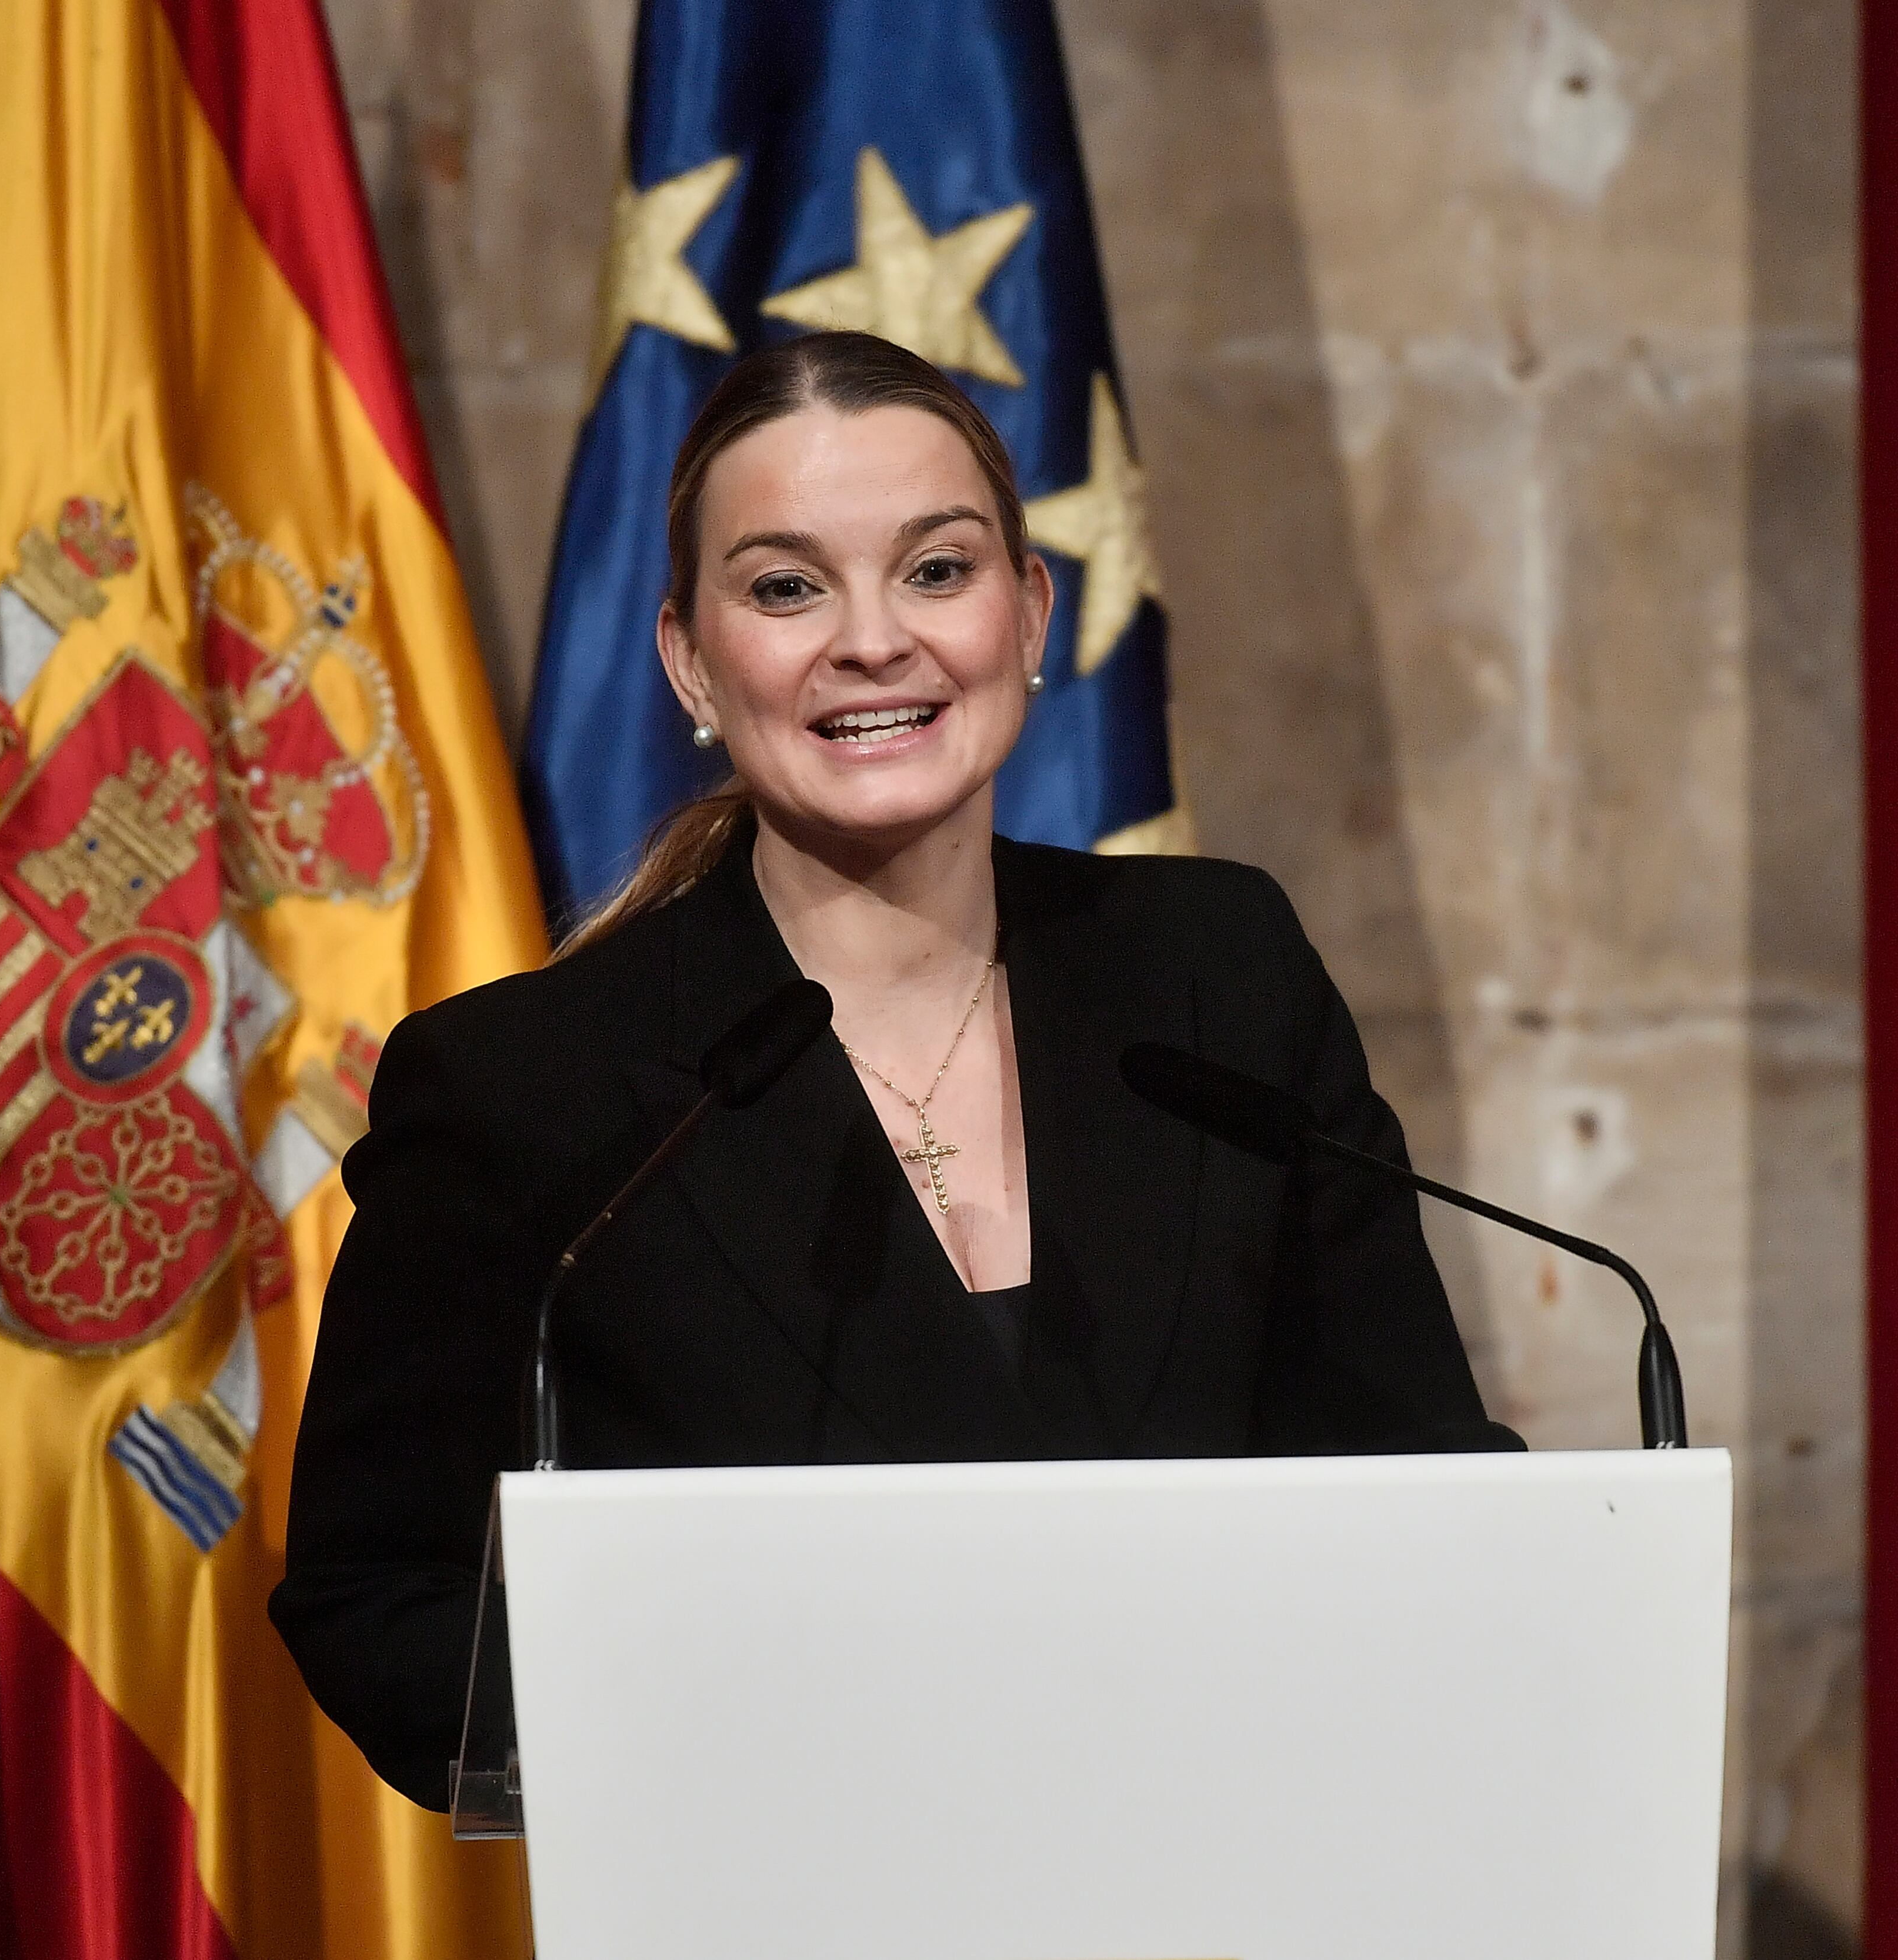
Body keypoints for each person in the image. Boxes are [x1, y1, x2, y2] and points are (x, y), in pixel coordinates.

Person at [271, 330, 1510, 1809]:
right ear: (690, 659)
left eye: (937, 568)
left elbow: (1418, 1475)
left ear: (1031, 610)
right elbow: (378, 1589)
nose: (873, 640)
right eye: (787, 585)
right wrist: (713, 1724)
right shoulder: (526, 1085)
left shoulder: (1217, 976)